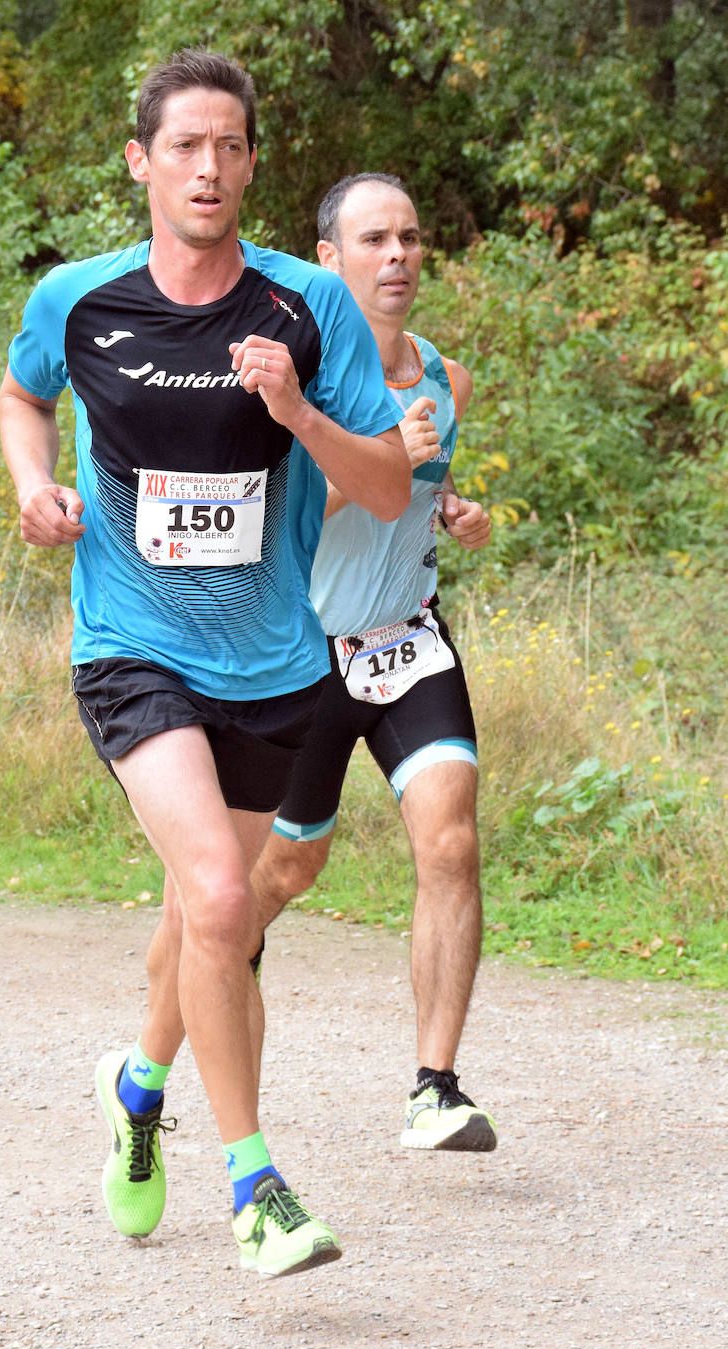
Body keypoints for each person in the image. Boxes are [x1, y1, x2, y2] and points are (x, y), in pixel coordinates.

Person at [0, 54, 409, 1278]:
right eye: (185, 146)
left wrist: (297, 414)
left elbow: (386, 490)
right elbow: (23, 398)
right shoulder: (79, 299)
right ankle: (257, 1186)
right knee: (225, 900)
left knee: (207, 916)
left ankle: (137, 1084)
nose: (209, 168)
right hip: (132, 649)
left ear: (249, 165)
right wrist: (34, 487)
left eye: (229, 147)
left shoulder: (306, 306)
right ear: (142, 162)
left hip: (273, 663)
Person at [251, 173, 498, 1153]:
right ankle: (212, 972)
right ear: (328, 260)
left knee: (450, 844)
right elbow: (276, 523)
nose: (396, 255)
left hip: (406, 638)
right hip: (306, 654)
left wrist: (449, 507)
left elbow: (425, 494)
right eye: (372, 239)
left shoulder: (447, 375)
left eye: (409, 237)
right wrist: (383, 458)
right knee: (285, 871)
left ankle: (435, 1087)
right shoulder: (288, 387)